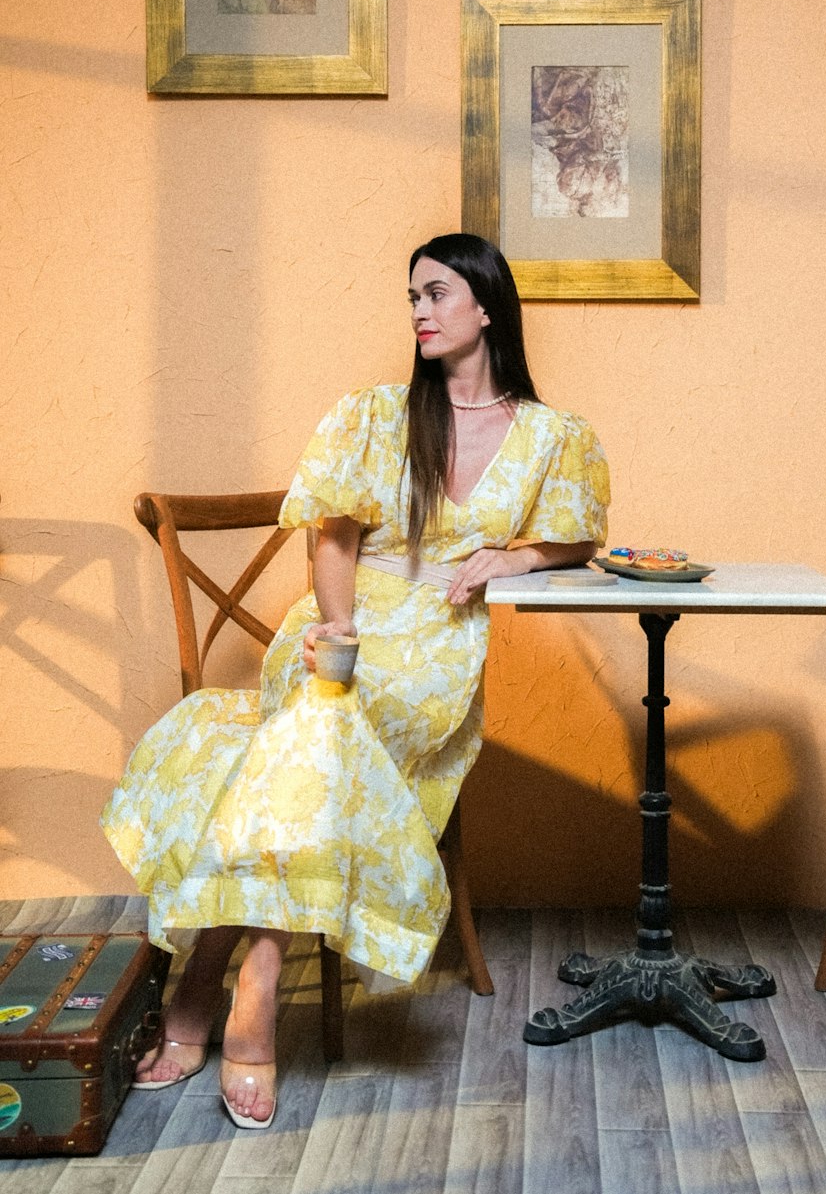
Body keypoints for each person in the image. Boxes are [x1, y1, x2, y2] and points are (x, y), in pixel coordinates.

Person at [100, 233, 610, 1128]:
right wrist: (339, 630)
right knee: (321, 722)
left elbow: (577, 535)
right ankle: (252, 989)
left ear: (487, 306)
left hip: (437, 652)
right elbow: (331, 540)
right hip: (346, 625)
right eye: (411, 294)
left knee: (306, 744)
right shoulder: (374, 416)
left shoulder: (550, 436)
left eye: (437, 292)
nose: (417, 309)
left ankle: (206, 978)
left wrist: (509, 554)